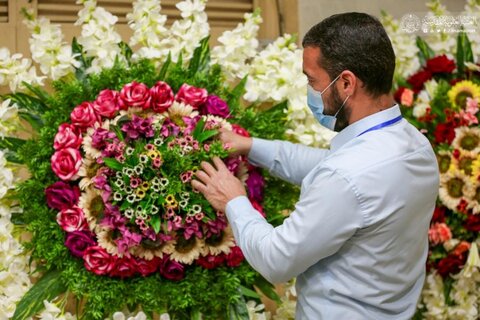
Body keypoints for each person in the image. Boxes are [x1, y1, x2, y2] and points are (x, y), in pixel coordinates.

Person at [191, 12, 439, 319]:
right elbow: (329, 167)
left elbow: (276, 260)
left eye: (312, 80)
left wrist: (233, 200)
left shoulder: (347, 176)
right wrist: (251, 146)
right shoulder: (415, 144)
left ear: (346, 83)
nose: (310, 90)